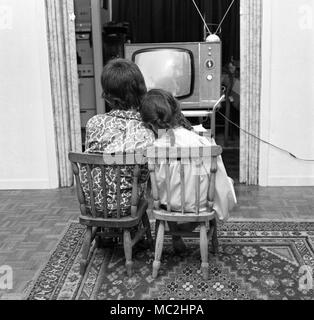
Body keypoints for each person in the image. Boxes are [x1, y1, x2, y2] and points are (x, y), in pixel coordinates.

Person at [140, 89, 237, 252]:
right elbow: (219, 181)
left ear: (150, 124)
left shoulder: (154, 149)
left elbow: (157, 182)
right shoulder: (203, 143)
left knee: (170, 187)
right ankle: (190, 226)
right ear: (176, 112)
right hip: (199, 204)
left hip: (168, 204)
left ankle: (177, 234)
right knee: (221, 180)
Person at [80, 58, 155, 217]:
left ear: (107, 93)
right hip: (129, 206)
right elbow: (146, 173)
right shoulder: (147, 128)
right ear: (140, 90)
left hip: (94, 205)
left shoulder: (93, 122)